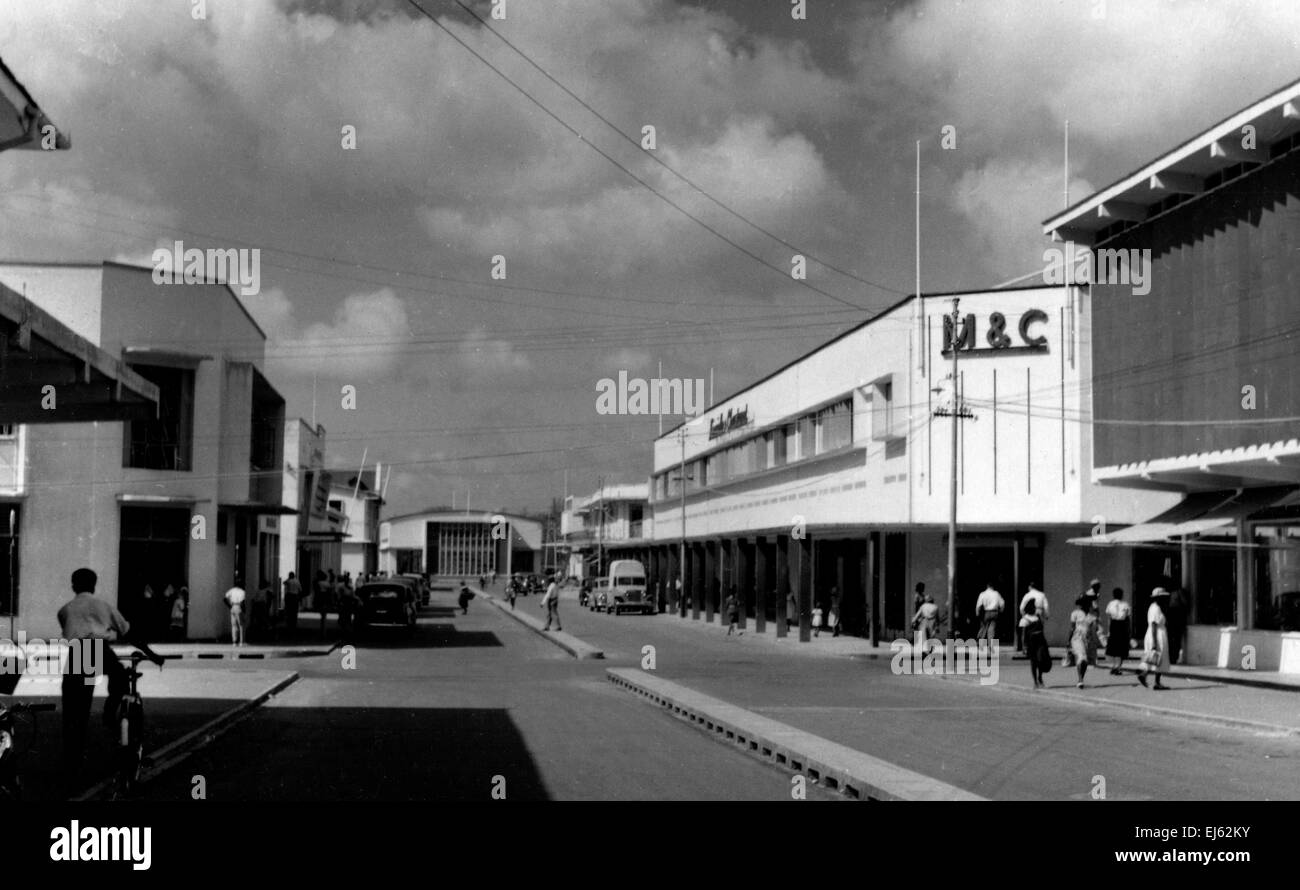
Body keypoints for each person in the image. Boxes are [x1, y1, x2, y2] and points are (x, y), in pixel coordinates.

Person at [57, 568, 134, 786]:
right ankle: (110, 712)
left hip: (79, 653)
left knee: (75, 712)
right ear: (94, 585)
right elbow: (127, 630)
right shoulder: (104, 606)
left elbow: (68, 629)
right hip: (99, 648)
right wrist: (152, 653)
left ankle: (71, 765)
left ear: (73, 585)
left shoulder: (65, 610)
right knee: (120, 678)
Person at [1138, 587, 1171, 690]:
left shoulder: (1156, 607)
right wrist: (1154, 642)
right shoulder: (1155, 608)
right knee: (1157, 657)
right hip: (1156, 634)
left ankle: (1149, 677)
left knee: (1155, 658)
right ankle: (1152, 679)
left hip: (1157, 633)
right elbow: (1153, 625)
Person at [1067, 594, 1101, 688]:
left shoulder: (1093, 616)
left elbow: (1096, 629)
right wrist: (1068, 640)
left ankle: (1081, 678)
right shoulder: (1075, 614)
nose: (1083, 606)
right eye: (1081, 604)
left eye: (1085, 603)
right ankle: (1080, 679)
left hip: (1089, 640)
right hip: (1077, 638)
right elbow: (1072, 628)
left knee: (1086, 661)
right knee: (1082, 657)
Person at [1020, 599, 1051, 689]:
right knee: (1033, 662)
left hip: (1041, 640)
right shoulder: (1025, 619)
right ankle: (1035, 681)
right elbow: (1023, 634)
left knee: (1041, 659)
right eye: (1033, 607)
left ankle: (1040, 677)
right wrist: (1024, 646)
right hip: (1031, 642)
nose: (1035, 608)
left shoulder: (1038, 616)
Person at [1104, 587, 1132, 674]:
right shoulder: (1125, 604)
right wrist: (1129, 630)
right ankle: (1117, 666)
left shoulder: (1111, 604)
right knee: (1120, 647)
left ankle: (1116, 666)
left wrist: (1109, 630)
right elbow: (1127, 619)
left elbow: (1109, 618)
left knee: (1116, 647)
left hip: (1114, 625)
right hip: (1121, 625)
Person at [1018, 583, 1048, 653]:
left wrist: (1023, 615)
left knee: (1025, 633)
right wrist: (1046, 615)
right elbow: (1046, 606)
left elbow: (1022, 607)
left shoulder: (1027, 595)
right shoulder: (1042, 595)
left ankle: (1025, 648)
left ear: (1030, 587)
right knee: (1038, 633)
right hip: (1038, 615)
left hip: (1027, 617)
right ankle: (1037, 648)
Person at [1167, 587, 1188, 665]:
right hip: (1175, 616)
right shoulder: (1175, 593)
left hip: (1176, 616)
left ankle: (1173, 657)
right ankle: (1172, 657)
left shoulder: (1177, 592)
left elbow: (1184, 603)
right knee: (1174, 639)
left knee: (1175, 639)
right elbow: (1185, 603)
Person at [225, 579, 247, 647]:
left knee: (234, 625)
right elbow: (242, 602)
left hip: (233, 607)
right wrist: (244, 611)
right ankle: (241, 642)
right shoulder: (242, 592)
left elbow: (225, 599)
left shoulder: (231, 590)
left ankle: (234, 642)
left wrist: (230, 606)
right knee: (241, 625)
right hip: (238, 607)